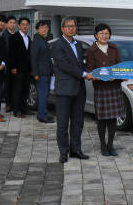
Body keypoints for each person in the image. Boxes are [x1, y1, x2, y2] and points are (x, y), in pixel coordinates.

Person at [52, 16, 89, 163]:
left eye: (73, 26)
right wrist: (84, 74)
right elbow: (65, 65)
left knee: (78, 122)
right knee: (62, 124)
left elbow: (81, 64)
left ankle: (76, 150)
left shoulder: (79, 44)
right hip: (64, 90)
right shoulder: (57, 45)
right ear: (62, 28)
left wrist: (94, 73)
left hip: (79, 89)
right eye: (68, 26)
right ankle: (63, 152)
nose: (71, 28)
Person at [86, 23, 125, 157]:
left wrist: (118, 77)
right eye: (101, 33)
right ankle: (103, 145)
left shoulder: (114, 48)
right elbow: (90, 71)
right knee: (102, 119)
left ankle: (110, 144)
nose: (104, 36)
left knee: (113, 119)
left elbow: (119, 67)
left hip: (114, 87)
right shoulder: (91, 51)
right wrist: (102, 77)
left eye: (107, 33)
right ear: (96, 35)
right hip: (101, 89)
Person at [30, 19, 54, 123]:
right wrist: (35, 73)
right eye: (42, 28)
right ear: (37, 29)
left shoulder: (44, 40)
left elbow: (48, 58)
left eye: (46, 27)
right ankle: (42, 116)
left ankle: (43, 114)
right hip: (40, 73)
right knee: (43, 95)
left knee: (45, 94)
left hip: (47, 72)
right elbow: (33, 58)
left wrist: (52, 70)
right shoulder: (36, 41)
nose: (44, 29)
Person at [9, 17, 32, 118]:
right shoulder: (14, 37)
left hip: (27, 69)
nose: (25, 26)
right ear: (19, 26)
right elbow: (11, 54)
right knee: (17, 90)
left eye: (27, 24)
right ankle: (16, 110)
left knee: (26, 89)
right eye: (23, 24)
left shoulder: (29, 38)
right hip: (17, 68)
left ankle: (24, 108)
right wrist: (13, 67)